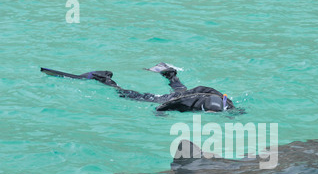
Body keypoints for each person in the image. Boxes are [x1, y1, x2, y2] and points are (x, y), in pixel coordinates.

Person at [40, 63, 235, 112]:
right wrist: (160, 112)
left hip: (193, 92)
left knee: (180, 88)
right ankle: (102, 77)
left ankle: (169, 73)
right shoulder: (195, 103)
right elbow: (173, 103)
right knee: (127, 95)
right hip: (172, 100)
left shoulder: (225, 104)